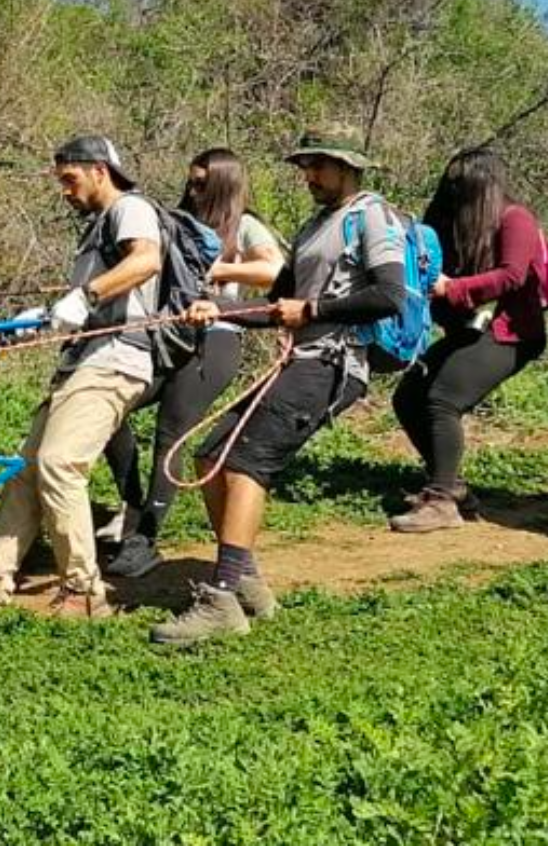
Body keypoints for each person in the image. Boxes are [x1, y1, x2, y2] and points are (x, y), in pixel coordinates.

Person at [152, 124, 406, 647]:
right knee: (212, 456)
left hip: (334, 364)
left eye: (318, 165)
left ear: (347, 166)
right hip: (302, 358)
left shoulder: (371, 216)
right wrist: (219, 309)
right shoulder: (317, 225)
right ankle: (245, 580)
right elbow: (278, 305)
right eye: (304, 166)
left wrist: (313, 310)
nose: (308, 175)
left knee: (246, 462)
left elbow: (389, 295)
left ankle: (222, 597)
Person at [0, 135, 162, 618]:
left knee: (59, 463)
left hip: (115, 359)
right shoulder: (96, 227)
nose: (64, 190)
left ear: (100, 170)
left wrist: (87, 296)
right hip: (84, 359)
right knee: (27, 466)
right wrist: (49, 312)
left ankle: (83, 590)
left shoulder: (131, 208)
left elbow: (146, 260)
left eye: (69, 178)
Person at [101, 149, 284, 578]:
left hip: (215, 340)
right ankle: (131, 507)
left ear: (224, 184)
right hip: (168, 336)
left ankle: (146, 537)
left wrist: (219, 270)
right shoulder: (176, 222)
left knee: (172, 433)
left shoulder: (245, 226)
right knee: (110, 407)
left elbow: (276, 270)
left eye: (202, 183)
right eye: (190, 181)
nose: (192, 190)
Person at [389, 147, 548, 533]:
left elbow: (511, 275)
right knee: (409, 397)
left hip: (512, 333)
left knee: (442, 399)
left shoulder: (515, 220)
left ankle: (442, 500)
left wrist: (454, 288)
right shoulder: (454, 223)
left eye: (461, 183)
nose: (452, 190)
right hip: (472, 330)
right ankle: (453, 486)